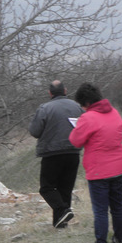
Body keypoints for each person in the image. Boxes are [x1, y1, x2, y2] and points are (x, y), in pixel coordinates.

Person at [68, 83, 122, 243]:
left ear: (86, 102)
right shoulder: (115, 113)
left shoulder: (88, 118)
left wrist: (79, 124)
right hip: (119, 167)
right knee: (118, 207)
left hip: (98, 171)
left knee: (101, 211)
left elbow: (75, 141)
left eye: (81, 105)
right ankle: (119, 242)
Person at [29, 80, 83, 228]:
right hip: (73, 152)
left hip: (52, 153)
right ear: (65, 90)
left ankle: (63, 210)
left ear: (50, 93)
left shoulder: (45, 108)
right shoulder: (77, 107)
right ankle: (60, 224)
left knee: (46, 188)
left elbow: (34, 131)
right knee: (65, 188)